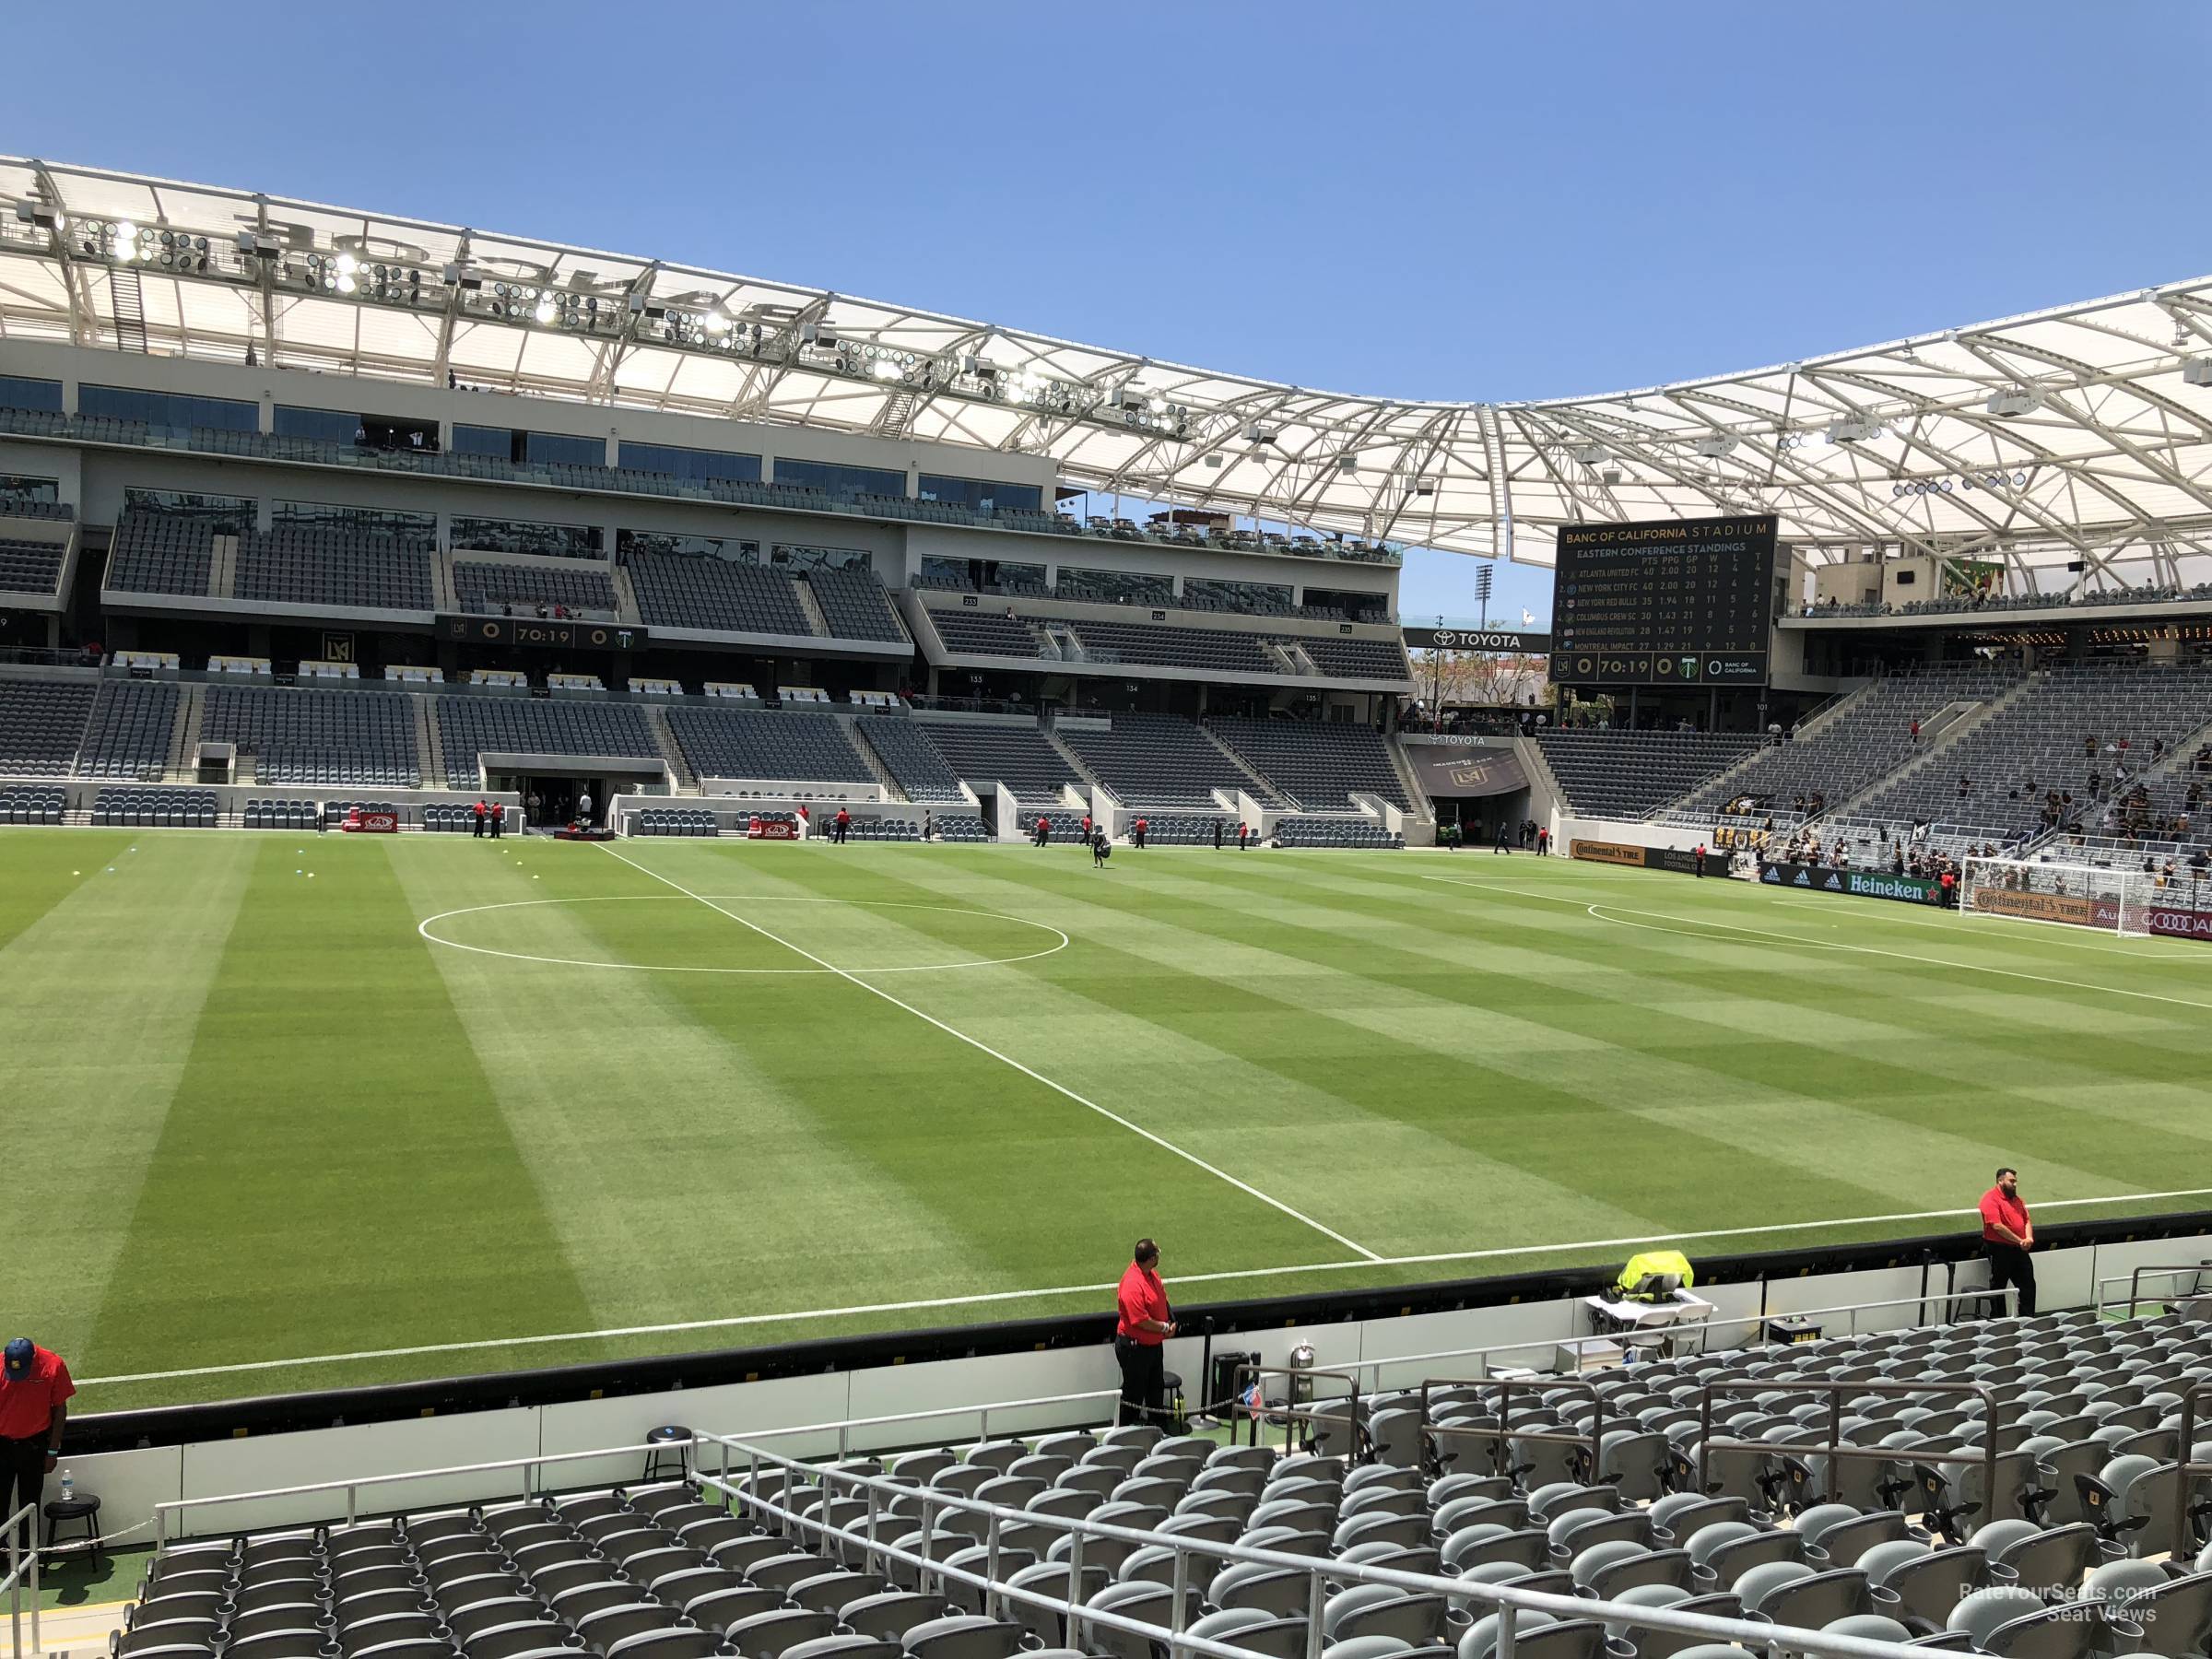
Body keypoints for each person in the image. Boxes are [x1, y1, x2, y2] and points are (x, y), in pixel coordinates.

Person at [0, 1336, 73, 1555]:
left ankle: (28, 1555)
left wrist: (52, 1450)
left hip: (33, 1445)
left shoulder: (53, 1365)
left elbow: (60, 1410)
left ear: (33, 1359)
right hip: (1, 1445)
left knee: (30, 1504)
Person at [1113, 1240, 1174, 1428]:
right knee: (1133, 1395)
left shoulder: (1152, 1275)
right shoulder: (1132, 1283)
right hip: (1135, 1349)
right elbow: (1139, 1320)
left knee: (1156, 1391)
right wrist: (1165, 1328)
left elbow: (1163, 1300)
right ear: (1150, 1258)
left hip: (1153, 1347)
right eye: (1156, 1254)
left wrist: (1172, 1320)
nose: (1158, 1257)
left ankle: (1158, 1431)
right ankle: (1122, 1434)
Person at [1980, 1168, 2036, 1316]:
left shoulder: (2017, 1200)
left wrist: (2028, 1238)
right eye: (2011, 1181)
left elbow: (2026, 1220)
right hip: (1999, 1249)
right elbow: (1997, 1226)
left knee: (2028, 1285)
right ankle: (1999, 1321)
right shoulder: (1990, 1198)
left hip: (2019, 1249)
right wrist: (2020, 1241)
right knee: (1998, 1287)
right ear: (2000, 1181)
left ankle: (2027, 1319)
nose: (2015, 1184)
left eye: (2015, 1181)